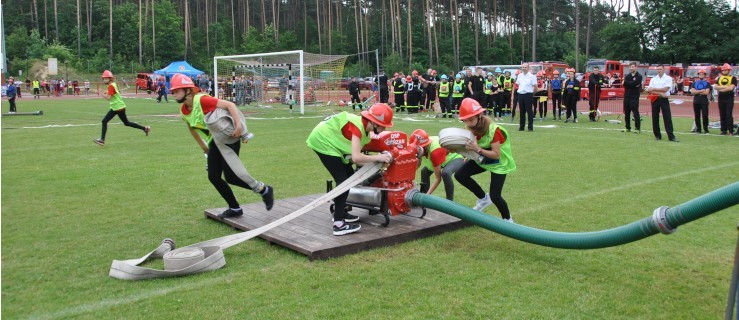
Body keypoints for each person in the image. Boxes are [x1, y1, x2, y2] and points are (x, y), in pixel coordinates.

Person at [172, 73, 274, 218]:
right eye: (173, 92)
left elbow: (230, 105)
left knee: (231, 177)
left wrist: (239, 126)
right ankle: (235, 208)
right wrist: (204, 149)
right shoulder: (184, 110)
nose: (174, 94)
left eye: (177, 91)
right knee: (213, 176)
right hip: (214, 142)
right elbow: (192, 128)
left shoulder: (203, 100)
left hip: (228, 138)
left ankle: (264, 190)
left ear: (188, 90)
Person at [306, 103, 394, 236]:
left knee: (350, 177)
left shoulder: (365, 132)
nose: (384, 129)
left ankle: (340, 212)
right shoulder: (358, 128)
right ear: (375, 122)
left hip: (331, 143)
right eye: (383, 126)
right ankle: (338, 224)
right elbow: (357, 157)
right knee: (343, 182)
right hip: (322, 141)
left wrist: (375, 164)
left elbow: (353, 159)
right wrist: (379, 158)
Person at [454, 98, 516, 222]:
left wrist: (477, 149)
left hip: (499, 163)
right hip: (482, 158)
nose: (468, 123)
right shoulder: (469, 127)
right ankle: (483, 199)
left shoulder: (494, 130)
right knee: (460, 175)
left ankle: (508, 220)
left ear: (479, 115)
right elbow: (471, 146)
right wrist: (462, 151)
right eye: (465, 120)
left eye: (471, 119)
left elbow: (496, 155)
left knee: (495, 196)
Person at [93, 70, 151, 146]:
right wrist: (104, 91)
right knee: (126, 123)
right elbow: (112, 93)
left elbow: (108, 97)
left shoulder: (111, 86)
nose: (104, 80)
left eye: (106, 78)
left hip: (117, 107)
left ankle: (102, 140)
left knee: (104, 121)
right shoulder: (113, 84)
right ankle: (145, 128)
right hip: (118, 107)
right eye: (104, 78)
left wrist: (100, 93)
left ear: (110, 79)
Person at [410, 129, 464, 201]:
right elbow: (417, 164)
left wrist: (427, 196)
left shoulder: (435, 153)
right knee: (424, 172)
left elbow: (438, 179)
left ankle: (449, 202)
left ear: (424, 148)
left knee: (446, 173)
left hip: (455, 157)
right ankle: (423, 194)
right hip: (442, 157)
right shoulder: (423, 146)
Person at [645, 65, 678, 142]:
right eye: (658, 69)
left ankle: (671, 136)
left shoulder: (668, 78)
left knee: (667, 117)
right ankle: (657, 135)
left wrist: (654, 89)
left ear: (664, 69)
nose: (659, 70)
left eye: (660, 69)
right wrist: (659, 93)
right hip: (655, 99)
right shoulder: (653, 79)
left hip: (664, 99)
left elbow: (665, 89)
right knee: (655, 117)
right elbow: (649, 90)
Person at [715, 63, 737, 135]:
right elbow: (715, 87)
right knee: (722, 114)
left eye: (725, 70)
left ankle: (731, 130)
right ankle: (723, 130)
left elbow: (731, 88)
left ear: (728, 70)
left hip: (729, 97)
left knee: (729, 114)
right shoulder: (719, 78)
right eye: (723, 70)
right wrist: (726, 87)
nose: (724, 71)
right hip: (721, 97)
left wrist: (721, 88)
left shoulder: (733, 78)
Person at [516, 64, 537, 131]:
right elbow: (518, 84)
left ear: (528, 68)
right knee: (522, 111)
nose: (524, 68)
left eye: (525, 67)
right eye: (523, 67)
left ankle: (530, 127)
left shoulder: (532, 76)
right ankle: (521, 127)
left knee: (529, 111)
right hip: (521, 94)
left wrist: (532, 93)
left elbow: (535, 86)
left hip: (528, 94)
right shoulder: (520, 75)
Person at [622, 62, 642, 133]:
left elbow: (635, 84)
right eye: (630, 67)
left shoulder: (639, 76)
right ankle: (627, 127)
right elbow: (625, 85)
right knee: (626, 113)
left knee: (635, 112)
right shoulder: (628, 75)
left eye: (632, 67)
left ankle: (637, 128)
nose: (631, 68)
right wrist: (629, 84)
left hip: (634, 97)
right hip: (627, 96)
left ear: (636, 67)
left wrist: (627, 83)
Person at [690, 69, 711, 134]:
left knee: (705, 115)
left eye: (702, 74)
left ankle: (706, 129)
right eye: (700, 74)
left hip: (704, 101)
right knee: (697, 115)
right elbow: (692, 92)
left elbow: (706, 92)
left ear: (705, 75)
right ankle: (698, 129)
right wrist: (701, 91)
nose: (701, 75)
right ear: (698, 75)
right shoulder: (694, 83)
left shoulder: (707, 83)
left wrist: (697, 92)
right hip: (696, 101)